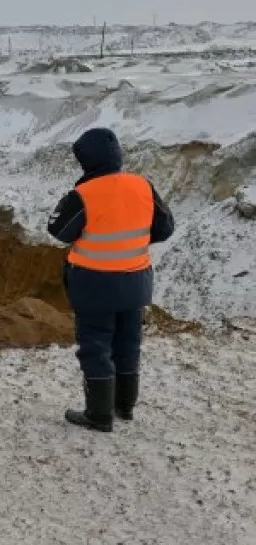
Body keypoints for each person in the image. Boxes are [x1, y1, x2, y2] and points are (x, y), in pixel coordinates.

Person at [47, 127, 174, 432]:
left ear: (87, 161)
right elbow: (165, 228)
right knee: (128, 344)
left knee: (95, 346)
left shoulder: (84, 194)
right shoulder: (143, 186)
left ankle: (98, 415)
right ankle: (124, 406)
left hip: (94, 286)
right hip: (135, 283)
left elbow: (59, 232)